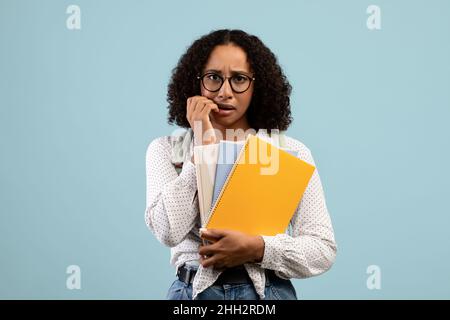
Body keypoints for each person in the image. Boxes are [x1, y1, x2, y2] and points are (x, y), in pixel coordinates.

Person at [145, 29, 337, 300]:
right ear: (196, 83)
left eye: (239, 79)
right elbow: (167, 231)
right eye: (213, 78)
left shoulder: (290, 153)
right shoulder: (167, 150)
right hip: (193, 294)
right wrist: (202, 147)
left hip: (267, 294)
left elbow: (322, 250)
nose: (225, 92)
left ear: (257, 85)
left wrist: (257, 248)